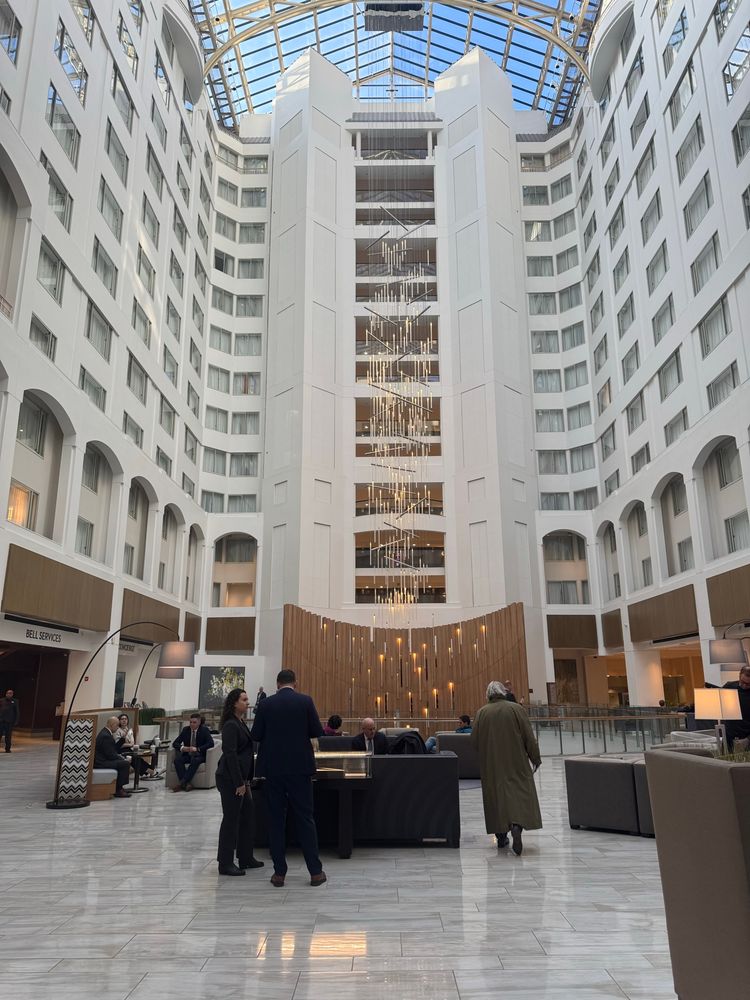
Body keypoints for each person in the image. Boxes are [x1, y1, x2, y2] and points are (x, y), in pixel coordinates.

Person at [249, 669, 327, 888]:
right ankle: (315, 872)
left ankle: (279, 874)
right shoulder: (305, 701)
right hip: (300, 768)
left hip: (273, 769)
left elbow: (256, 735)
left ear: (277, 684)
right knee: (305, 818)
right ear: (295, 682)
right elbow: (316, 731)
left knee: (275, 820)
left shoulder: (266, 704)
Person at [471, 680, 542, 856]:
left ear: (488, 694)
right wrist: (535, 758)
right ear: (503, 692)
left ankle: (501, 836)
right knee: (519, 793)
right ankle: (517, 825)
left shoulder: (482, 713)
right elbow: (528, 736)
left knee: (496, 797)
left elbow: (474, 742)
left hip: (493, 765)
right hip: (516, 760)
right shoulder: (516, 709)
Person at [215, 689, 264, 876]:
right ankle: (225, 862)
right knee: (231, 820)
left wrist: (246, 780)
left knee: (247, 817)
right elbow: (230, 754)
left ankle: (245, 857)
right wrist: (238, 783)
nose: (247, 702)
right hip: (230, 780)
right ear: (234, 703)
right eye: (244, 699)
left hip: (243, 779)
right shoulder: (230, 725)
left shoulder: (240, 722)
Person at [171, 712, 215, 791]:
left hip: (200, 755)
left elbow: (211, 743)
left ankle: (182, 783)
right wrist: (183, 748)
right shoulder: (186, 730)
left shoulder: (204, 730)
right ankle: (186, 784)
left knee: (195, 760)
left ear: (199, 722)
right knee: (177, 760)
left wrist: (197, 749)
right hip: (188, 754)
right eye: (190, 722)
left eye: (194, 722)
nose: (192, 724)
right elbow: (175, 743)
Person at [114, 713, 162, 781]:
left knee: (140, 759)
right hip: (121, 750)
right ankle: (151, 772)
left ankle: (152, 771)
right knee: (135, 759)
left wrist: (130, 744)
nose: (124, 721)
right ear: (119, 721)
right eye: (122, 719)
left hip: (129, 749)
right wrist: (130, 744)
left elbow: (132, 742)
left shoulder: (129, 729)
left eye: (125, 719)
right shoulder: (117, 730)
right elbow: (118, 744)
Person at [94, 716, 132, 798]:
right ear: (112, 724)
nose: (118, 727)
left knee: (123, 762)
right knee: (125, 764)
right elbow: (111, 755)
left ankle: (119, 787)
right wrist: (123, 759)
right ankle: (118, 790)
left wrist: (122, 738)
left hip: (102, 760)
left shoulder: (105, 733)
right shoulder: (106, 736)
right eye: (117, 725)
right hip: (101, 762)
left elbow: (113, 749)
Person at [723, 665, 750, 750]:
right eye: (742, 682)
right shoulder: (729, 686)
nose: (744, 686)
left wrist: (748, 739)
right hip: (730, 734)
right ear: (739, 675)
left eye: (748, 684)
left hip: (747, 736)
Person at [0, 688, 20, 753]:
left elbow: (17, 712)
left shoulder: (15, 701)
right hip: (1, 721)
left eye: (10, 693)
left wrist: (16, 721)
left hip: (9, 722)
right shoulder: (1, 700)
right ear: (6, 694)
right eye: (8, 693)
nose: (9, 694)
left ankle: (7, 749)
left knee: (8, 736)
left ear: (12, 694)